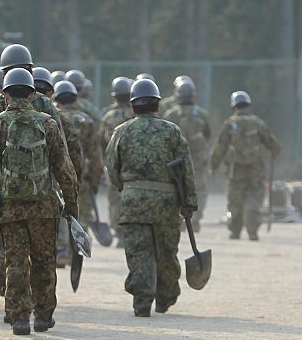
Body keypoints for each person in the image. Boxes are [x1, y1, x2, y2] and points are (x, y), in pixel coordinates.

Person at [0, 68, 78, 335]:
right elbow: (66, 172)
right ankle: (43, 316)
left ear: (4, 95)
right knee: (44, 260)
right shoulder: (48, 124)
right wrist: (71, 207)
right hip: (44, 207)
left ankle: (19, 318)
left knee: (15, 261)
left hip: (8, 208)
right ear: (32, 94)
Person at [105, 78, 197, 317]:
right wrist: (189, 202)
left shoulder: (121, 132)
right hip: (166, 204)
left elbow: (112, 169)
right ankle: (165, 296)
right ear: (158, 105)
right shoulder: (172, 131)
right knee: (166, 251)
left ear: (133, 107)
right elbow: (186, 170)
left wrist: (127, 189)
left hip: (133, 202)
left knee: (138, 252)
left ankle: (142, 300)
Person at [210, 91, 280, 241]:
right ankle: (252, 231)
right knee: (254, 201)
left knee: (235, 202)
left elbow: (219, 148)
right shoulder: (258, 123)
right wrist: (274, 151)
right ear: (248, 105)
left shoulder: (229, 124)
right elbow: (272, 144)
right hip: (256, 171)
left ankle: (235, 232)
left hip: (236, 172)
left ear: (234, 106)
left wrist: (213, 167)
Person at [53, 80, 103, 233]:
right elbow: (96, 159)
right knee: (80, 224)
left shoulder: (50, 119)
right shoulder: (86, 121)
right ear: (76, 99)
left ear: (56, 100)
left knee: (58, 223)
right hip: (80, 178)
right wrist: (93, 184)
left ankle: (62, 254)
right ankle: (76, 255)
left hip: (54, 180)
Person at [162, 77, 212, 231]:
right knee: (200, 189)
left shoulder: (171, 115)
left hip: (176, 159)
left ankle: (179, 219)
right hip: (198, 158)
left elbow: (164, 137)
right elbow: (208, 135)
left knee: (177, 187)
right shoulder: (202, 114)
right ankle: (195, 220)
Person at [100, 76, 134, 246]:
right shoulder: (134, 115)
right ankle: (129, 230)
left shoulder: (107, 116)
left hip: (112, 163)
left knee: (114, 198)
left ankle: (118, 231)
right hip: (131, 163)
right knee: (130, 196)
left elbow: (100, 142)